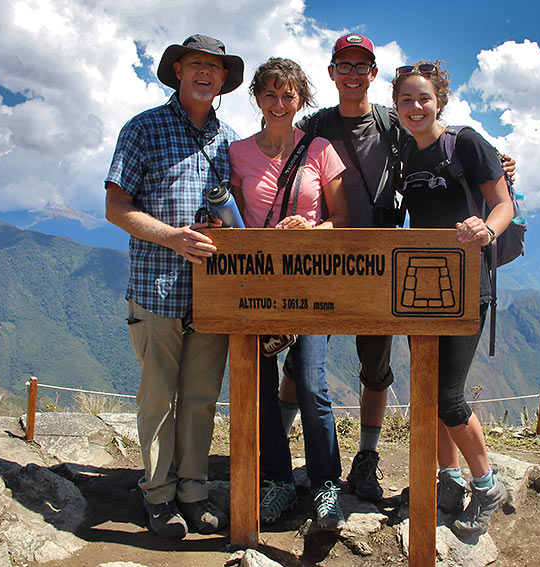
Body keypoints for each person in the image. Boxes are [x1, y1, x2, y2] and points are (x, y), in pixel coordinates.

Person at [281, 33, 517, 504]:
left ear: (372, 73)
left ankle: (368, 460)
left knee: (377, 367)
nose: (352, 74)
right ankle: (277, 462)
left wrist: (502, 169)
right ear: (331, 73)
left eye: (361, 66)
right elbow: (275, 151)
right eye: (343, 66)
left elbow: (468, 166)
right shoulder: (313, 126)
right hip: (325, 259)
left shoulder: (395, 124)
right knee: (300, 362)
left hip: (387, 263)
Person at [104, 34, 244, 539]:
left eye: (215, 66)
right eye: (196, 65)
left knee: (202, 397)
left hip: (214, 294)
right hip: (156, 287)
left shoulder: (230, 140)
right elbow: (115, 207)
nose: (206, 73)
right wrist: (173, 238)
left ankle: (194, 491)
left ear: (224, 79)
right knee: (159, 397)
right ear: (178, 71)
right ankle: (158, 496)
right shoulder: (143, 128)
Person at [391, 60, 513, 536]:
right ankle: (447, 480)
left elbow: (503, 203)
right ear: (396, 106)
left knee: (447, 395)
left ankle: (487, 485)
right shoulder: (404, 152)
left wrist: (486, 228)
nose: (416, 107)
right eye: (406, 100)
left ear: (439, 100)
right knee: (426, 390)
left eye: (424, 98)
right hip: (420, 286)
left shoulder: (464, 142)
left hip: (466, 287)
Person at [229, 57, 351, 530]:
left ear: (301, 100)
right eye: (271, 95)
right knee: (259, 389)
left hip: (311, 286)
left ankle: (325, 487)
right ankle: (276, 481)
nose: (280, 104)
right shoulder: (238, 153)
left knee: (312, 385)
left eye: (289, 95)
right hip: (256, 288)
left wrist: (312, 228)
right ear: (258, 98)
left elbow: (342, 219)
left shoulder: (320, 150)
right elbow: (232, 221)